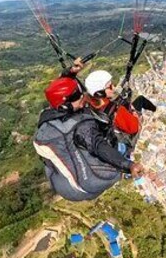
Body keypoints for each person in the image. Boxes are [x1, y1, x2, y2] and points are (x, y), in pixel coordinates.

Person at [34, 74, 143, 202]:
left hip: (58, 180)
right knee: (123, 148)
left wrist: (69, 74)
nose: (81, 96)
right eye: (76, 95)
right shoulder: (82, 127)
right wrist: (129, 165)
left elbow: (59, 95)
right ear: (65, 105)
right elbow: (99, 147)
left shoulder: (48, 115)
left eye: (80, 91)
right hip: (83, 188)